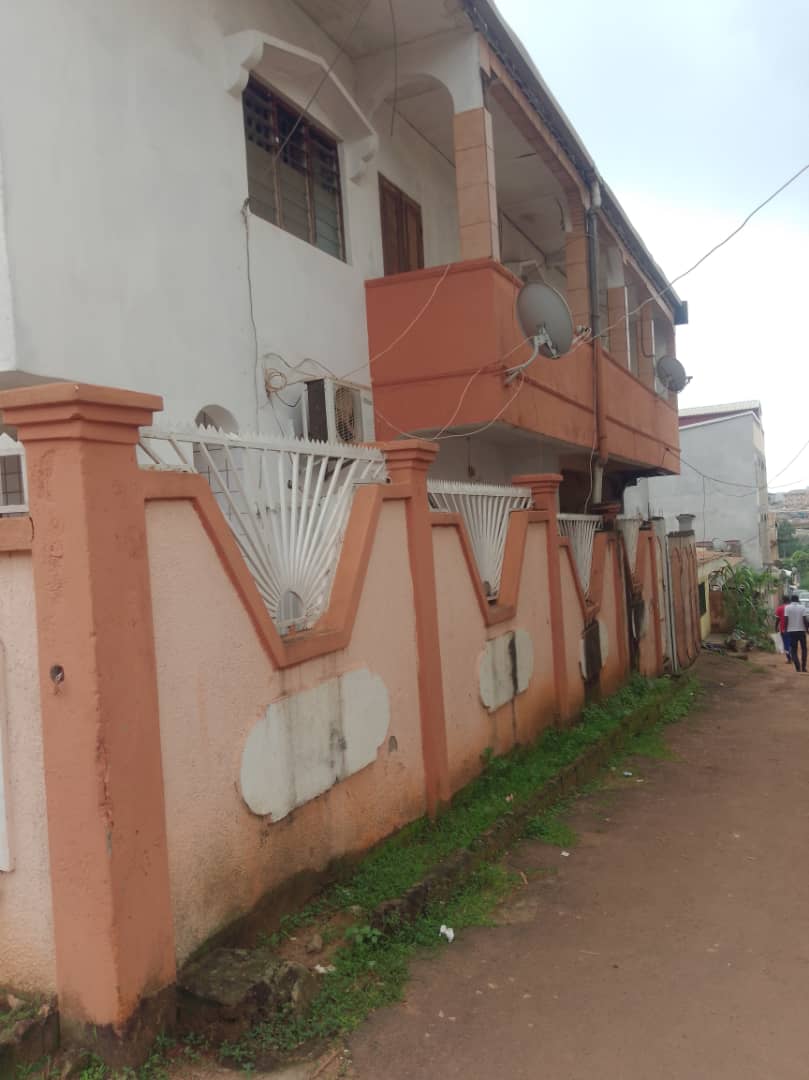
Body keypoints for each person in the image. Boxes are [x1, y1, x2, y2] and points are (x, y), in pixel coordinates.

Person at [784, 594, 809, 672]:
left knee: (793, 650)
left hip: (791, 632)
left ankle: (798, 667)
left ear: (791, 600)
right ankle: (803, 667)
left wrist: (785, 629)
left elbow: (786, 619)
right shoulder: (802, 607)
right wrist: (807, 629)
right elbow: (805, 620)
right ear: (798, 600)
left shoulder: (787, 608)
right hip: (801, 631)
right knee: (804, 649)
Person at [775, 594, 792, 663]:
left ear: (783, 600)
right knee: (791, 643)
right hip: (793, 629)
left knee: (786, 643)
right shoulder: (792, 608)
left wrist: (775, 627)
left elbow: (777, 620)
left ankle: (789, 658)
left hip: (783, 629)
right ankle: (793, 656)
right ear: (789, 600)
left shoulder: (779, 608)